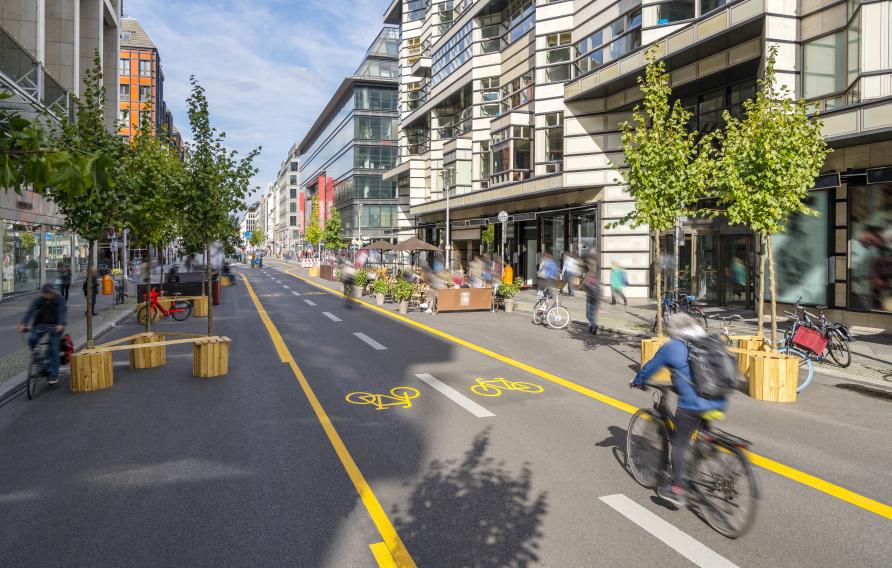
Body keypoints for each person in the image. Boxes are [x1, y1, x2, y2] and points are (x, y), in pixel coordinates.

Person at [631, 313, 728, 506]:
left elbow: (651, 367)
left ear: (673, 330)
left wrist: (637, 380)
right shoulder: (707, 341)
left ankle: (677, 489)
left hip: (693, 405)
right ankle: (707, 458)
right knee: (702, 437)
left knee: (679, 443)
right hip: (718, 400)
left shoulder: (673, 346)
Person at [17, 284, 67, 385]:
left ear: (53, 292)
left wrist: (61, 324)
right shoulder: (38, 300)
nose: (49, 295)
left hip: (55, 326)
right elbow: (30, 311)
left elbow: (62, 311)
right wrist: (23, 324)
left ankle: (53, 374)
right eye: (46, 293)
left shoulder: (60, 299)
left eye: (50, 293)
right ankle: (40, 363)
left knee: (53, 348)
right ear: (43, 293)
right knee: (32, 339)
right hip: (41, 324)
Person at [582, 256, 601, 334]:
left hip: (590, 296)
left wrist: (583, 282)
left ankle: (594, 325)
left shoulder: (589, 274)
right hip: (596, 297)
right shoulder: (597, 274)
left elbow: (584, 284)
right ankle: (592, 329)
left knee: (588, 315)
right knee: (593, 315)